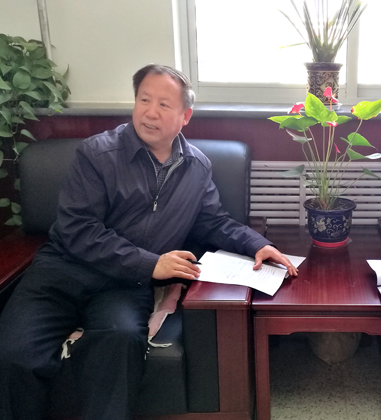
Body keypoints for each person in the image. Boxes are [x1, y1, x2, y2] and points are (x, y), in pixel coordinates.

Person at [0, 64, 298, 420]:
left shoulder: (197, 167)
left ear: (185, 116)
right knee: (14, 355)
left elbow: (212, 221)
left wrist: (256, 244)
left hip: (125, 285)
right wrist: (151, 263)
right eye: (144, 100)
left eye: (163, 104)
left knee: (121, 339)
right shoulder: (97, 154)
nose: (150, 112)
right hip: (63, 271)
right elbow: (79, 229)